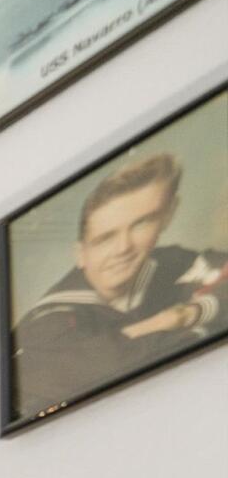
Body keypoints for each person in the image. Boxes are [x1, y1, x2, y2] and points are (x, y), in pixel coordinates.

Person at [13, 148, 226, 413]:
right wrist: (166, 322)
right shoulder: (45, 325)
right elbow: (114, 370)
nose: (123, 248)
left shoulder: (170, 264)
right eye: (105, 239)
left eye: (141, 224)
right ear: (80, 254)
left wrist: (190, 313)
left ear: (166, 217)